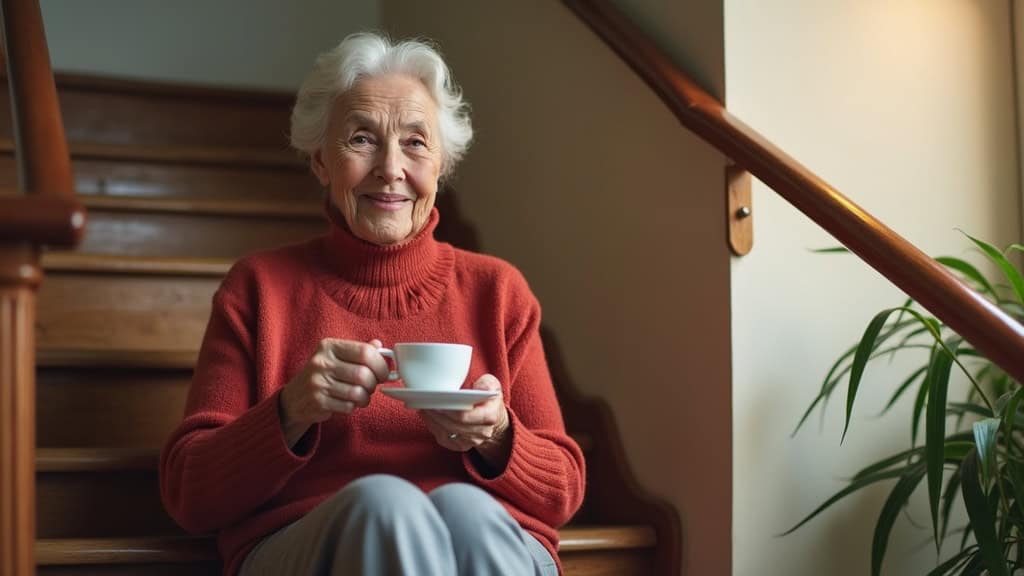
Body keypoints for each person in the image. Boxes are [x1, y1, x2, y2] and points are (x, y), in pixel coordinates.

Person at [159, 32, 585, 576]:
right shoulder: (258, 288)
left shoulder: (498, 291)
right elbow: (189, 493)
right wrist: (290, 412)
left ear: (441, 166)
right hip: (305, 541)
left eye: (415, 142)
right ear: (320, 161)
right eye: (362, 139)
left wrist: (498, 434)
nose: (390, 168)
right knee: (385, 506)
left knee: (469, 511)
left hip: (485, 541)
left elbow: (563, 490)